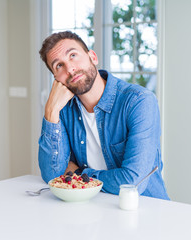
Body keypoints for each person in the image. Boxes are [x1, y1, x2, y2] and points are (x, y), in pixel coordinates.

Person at [38, 31, 169, 200]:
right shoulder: (62, 109)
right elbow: (52, 175)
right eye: (59, 66)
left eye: (73, 55)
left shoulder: (139, 101)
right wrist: (50, 111)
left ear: (92, 57)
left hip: (144, 210)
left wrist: (78, 174)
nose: (70, 68)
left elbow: (132, 181)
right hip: (92, 209)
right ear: (56, 79)